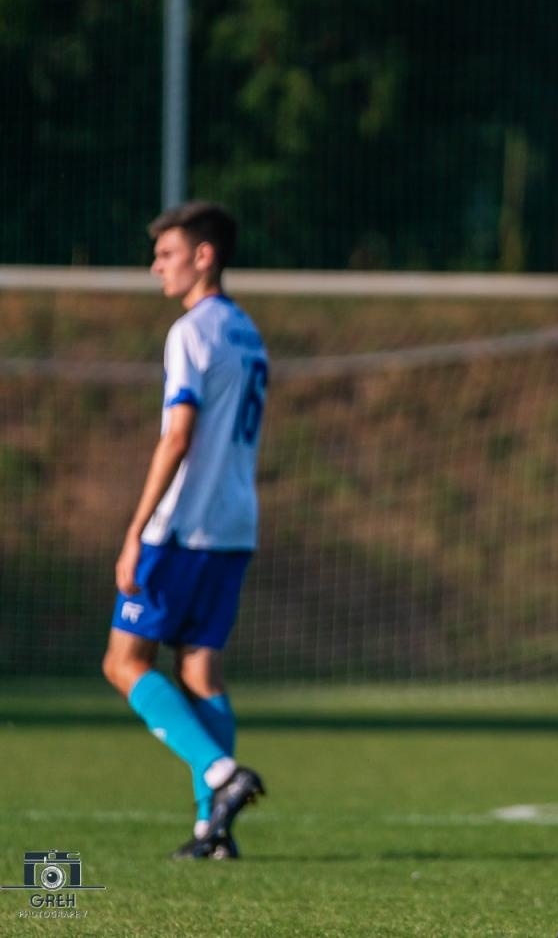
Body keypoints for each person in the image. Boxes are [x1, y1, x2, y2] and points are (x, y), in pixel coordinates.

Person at [100, 201, 269, 860]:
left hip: (183, 526)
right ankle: (214, 830)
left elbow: (178, 433)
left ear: (204, 255)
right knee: (199, 669)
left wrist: (136, 528)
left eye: (166, 254)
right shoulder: (246, 331)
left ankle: (222, 774)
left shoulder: (191, 330)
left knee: (124, 661)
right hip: (234, 523)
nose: (155, 268)